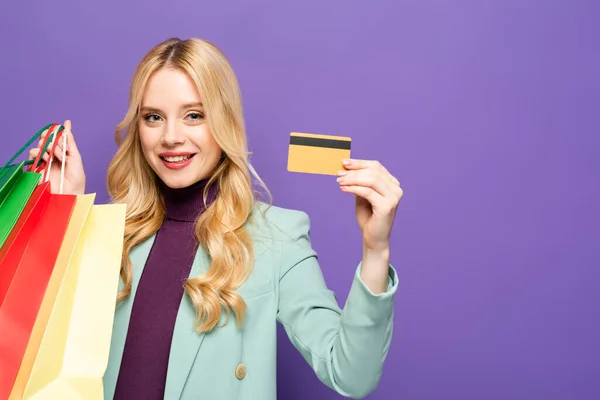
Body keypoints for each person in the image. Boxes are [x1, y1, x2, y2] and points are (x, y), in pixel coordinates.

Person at [28, 37, 403, 400]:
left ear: (225, 122)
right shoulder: (105, 232)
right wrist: (62, 213)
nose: (171, 137)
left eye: (194, 115)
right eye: (153, 117)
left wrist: (375, 250)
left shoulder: (276, 237)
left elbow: (352, 375)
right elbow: (35, 352)